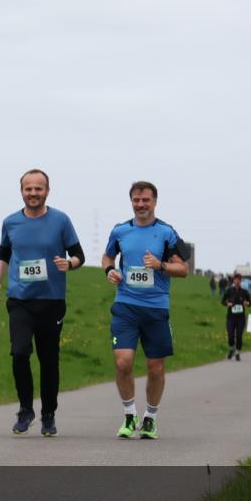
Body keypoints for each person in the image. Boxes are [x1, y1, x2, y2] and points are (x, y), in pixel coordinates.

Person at [0, 169, 84, 436]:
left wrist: (69, 263)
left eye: (38, 189)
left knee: (49, 359)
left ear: (47, 191)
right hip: (20, 299)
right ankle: (25, 409)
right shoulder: (10, 222)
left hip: (52, 300)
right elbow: (3, 254)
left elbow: (79, 255)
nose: (33, 193)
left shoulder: (60, 220)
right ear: (21, 191)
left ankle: (48, 414)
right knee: (19, 352)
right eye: (28, 188)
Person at [101, 181, 190, 440]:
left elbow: (183, 269)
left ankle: (150, 418)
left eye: (146, 200)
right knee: (123, 362)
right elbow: (107, 257)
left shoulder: (167, 232)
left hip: (156, 308)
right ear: (131, 201)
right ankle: (130, 415)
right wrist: (110, 270)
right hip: (126, 305)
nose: (141, 205)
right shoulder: (120, 231)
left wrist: (160, 265)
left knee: (156, 368)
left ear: (154, 202)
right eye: (136, 200)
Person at [221, 272, 251, 361]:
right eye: (236, 279)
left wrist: (247, 303)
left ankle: (237, 352)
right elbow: (222, 301)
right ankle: (231, 349)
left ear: (240, 281)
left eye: (239, 280)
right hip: (231, 317)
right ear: (233, 281)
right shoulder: (229, 291)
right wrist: (228, 303)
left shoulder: (244, 292)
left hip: (241, 318)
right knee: (230, 335)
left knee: (239, 336)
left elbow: (250, 303)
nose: (237, 281)